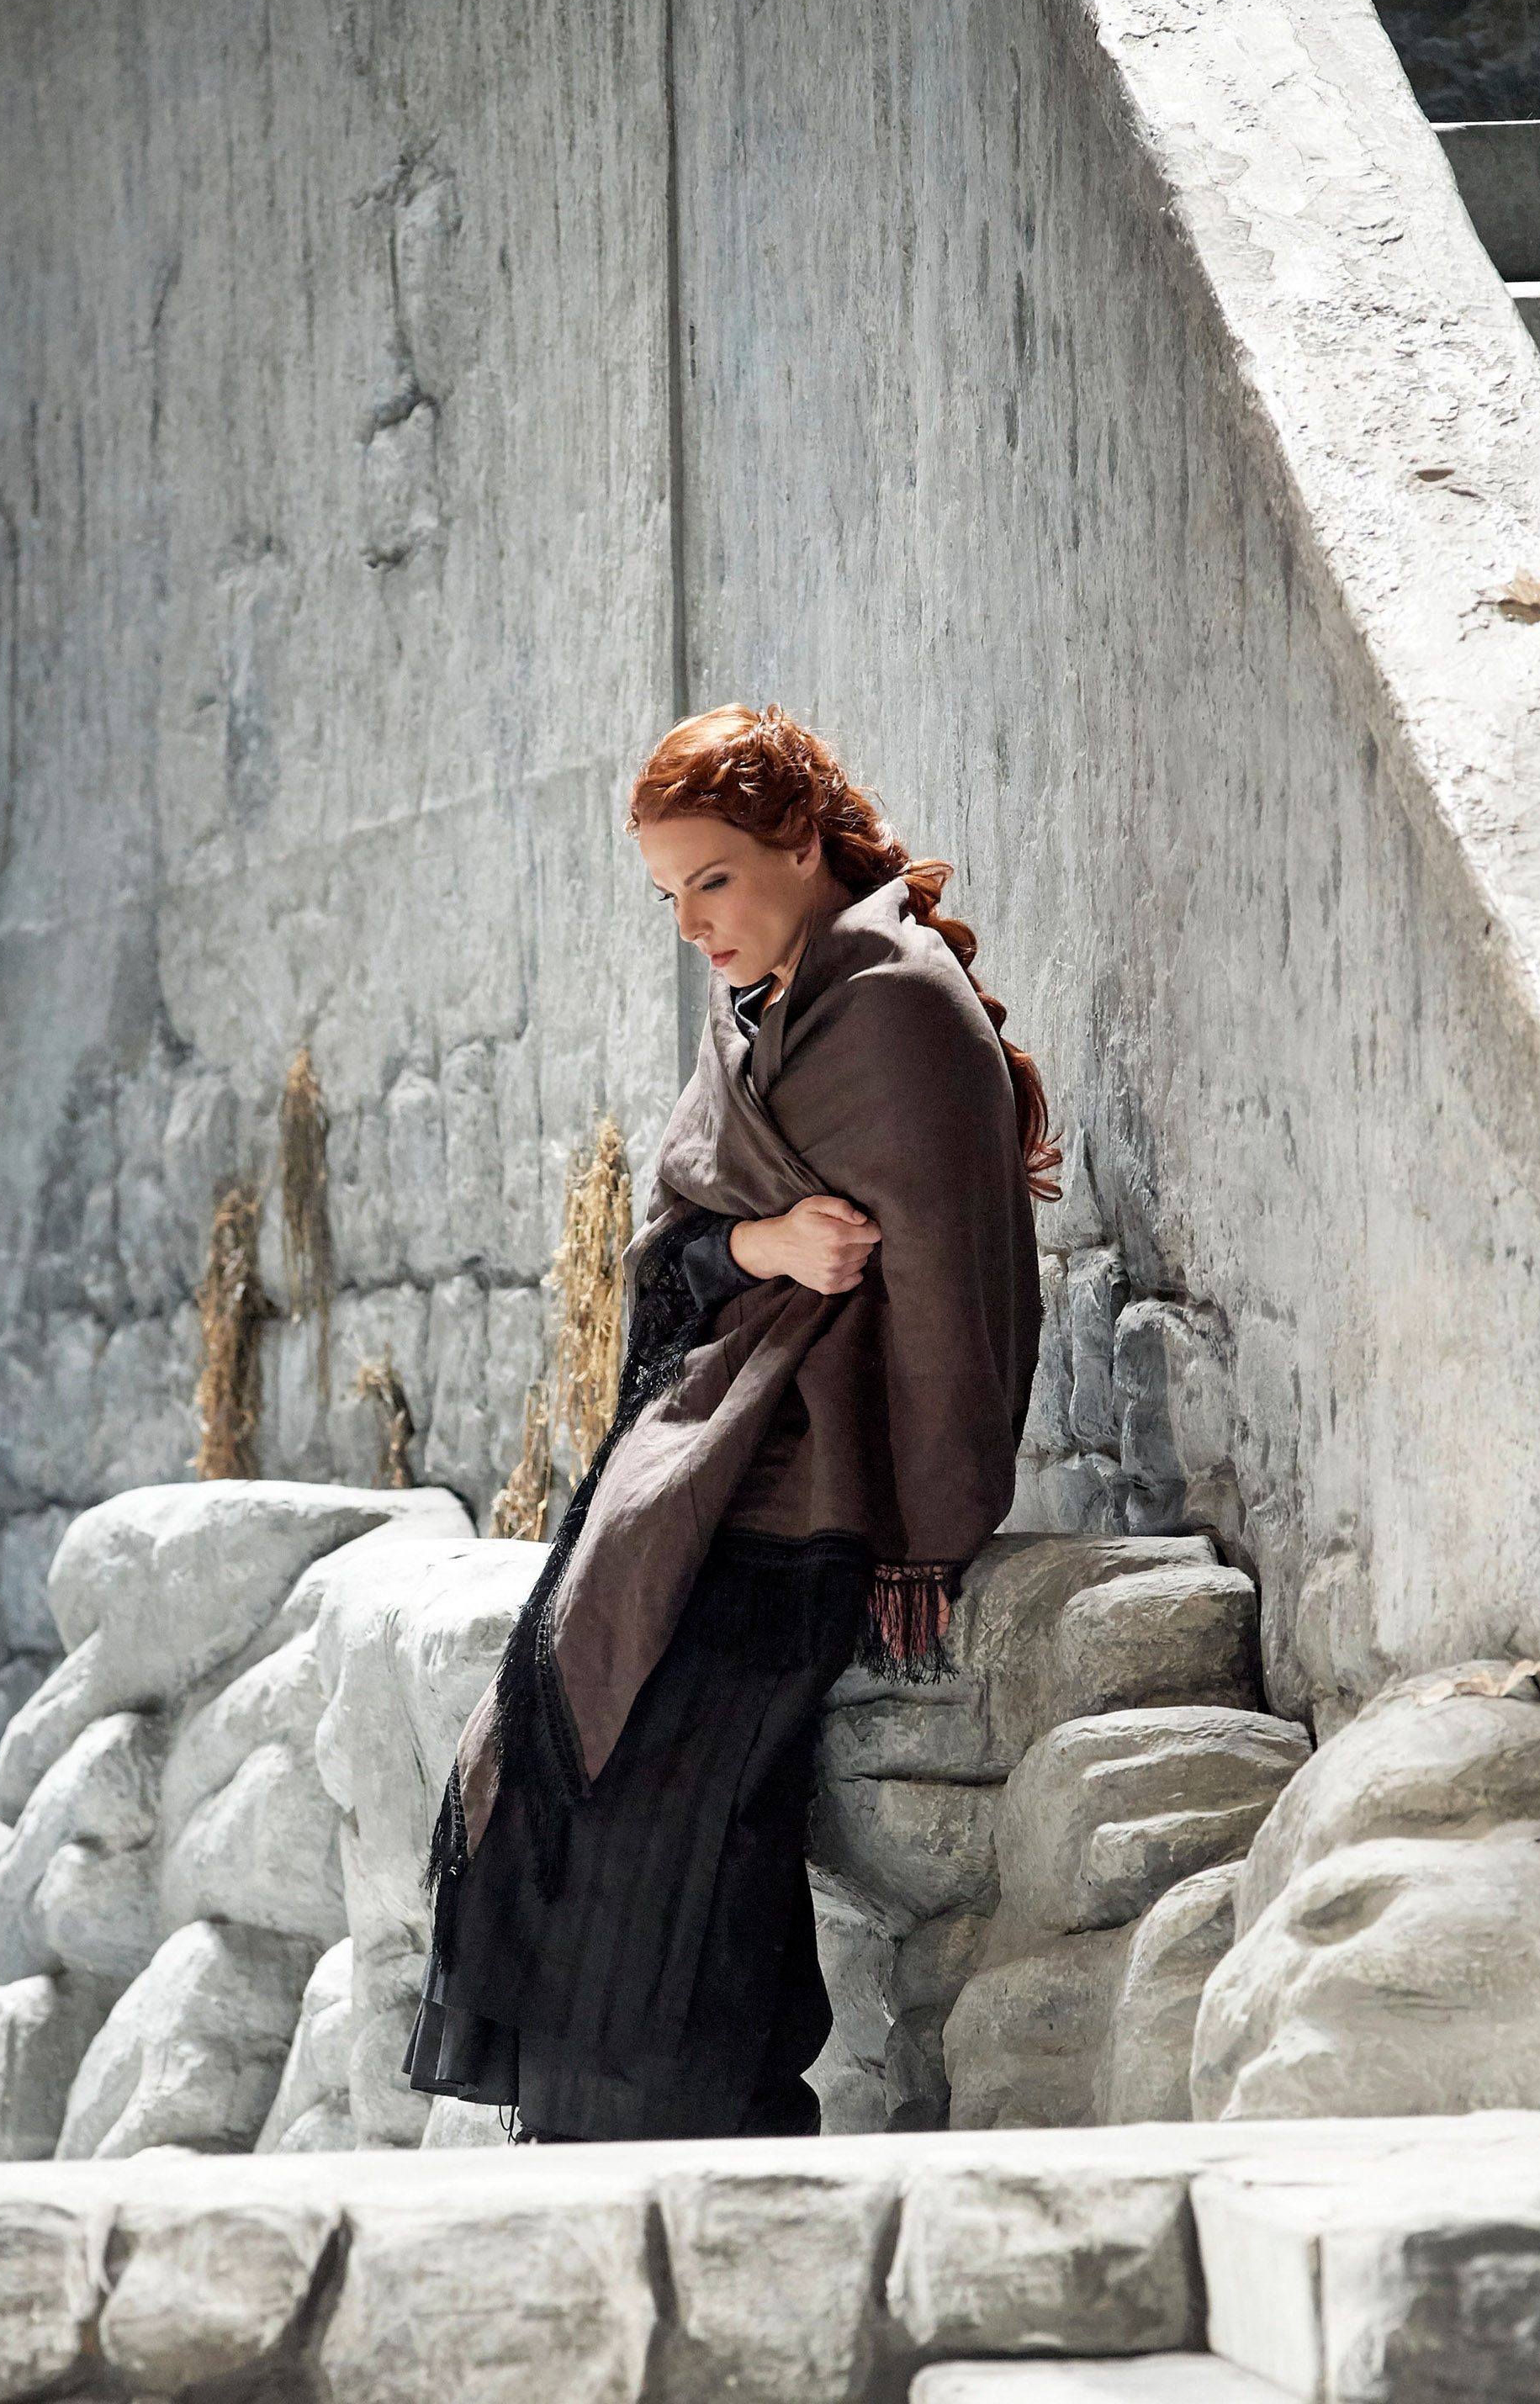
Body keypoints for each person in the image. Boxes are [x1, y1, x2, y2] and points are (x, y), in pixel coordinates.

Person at [404, 702, 1053, 2141]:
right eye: (666, 894)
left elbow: (961, 1309)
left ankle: (696, 2148)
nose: (692, 925)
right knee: (574, 1766)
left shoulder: (887, 1005)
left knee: (666, 1823)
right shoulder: (764, 1005)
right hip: (721, 1470)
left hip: (810, 1511)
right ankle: (642, 2142)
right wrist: (760, 1251)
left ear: (800, 846)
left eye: (712, 880)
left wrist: (928, 1536)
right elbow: (676, 1247)